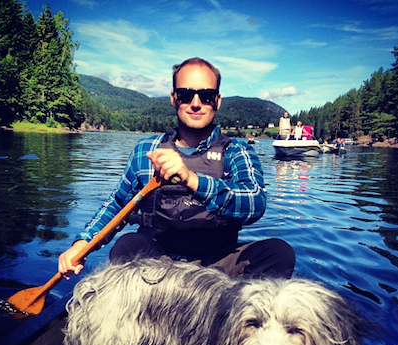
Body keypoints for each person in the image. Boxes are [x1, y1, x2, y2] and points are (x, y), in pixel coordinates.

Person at [59, 58, 295, 279]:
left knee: (278, 252)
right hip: (158, 264)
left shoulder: (237, 152)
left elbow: (254, 203)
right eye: (185, 95)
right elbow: (117, 204)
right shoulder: (146, 150)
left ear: (218, 101)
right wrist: (83, 244)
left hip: (218, 268)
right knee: (127, 245)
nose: (195, 104)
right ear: (174, 99)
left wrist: (191, 179)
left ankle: (220, 309)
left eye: (206, 96)